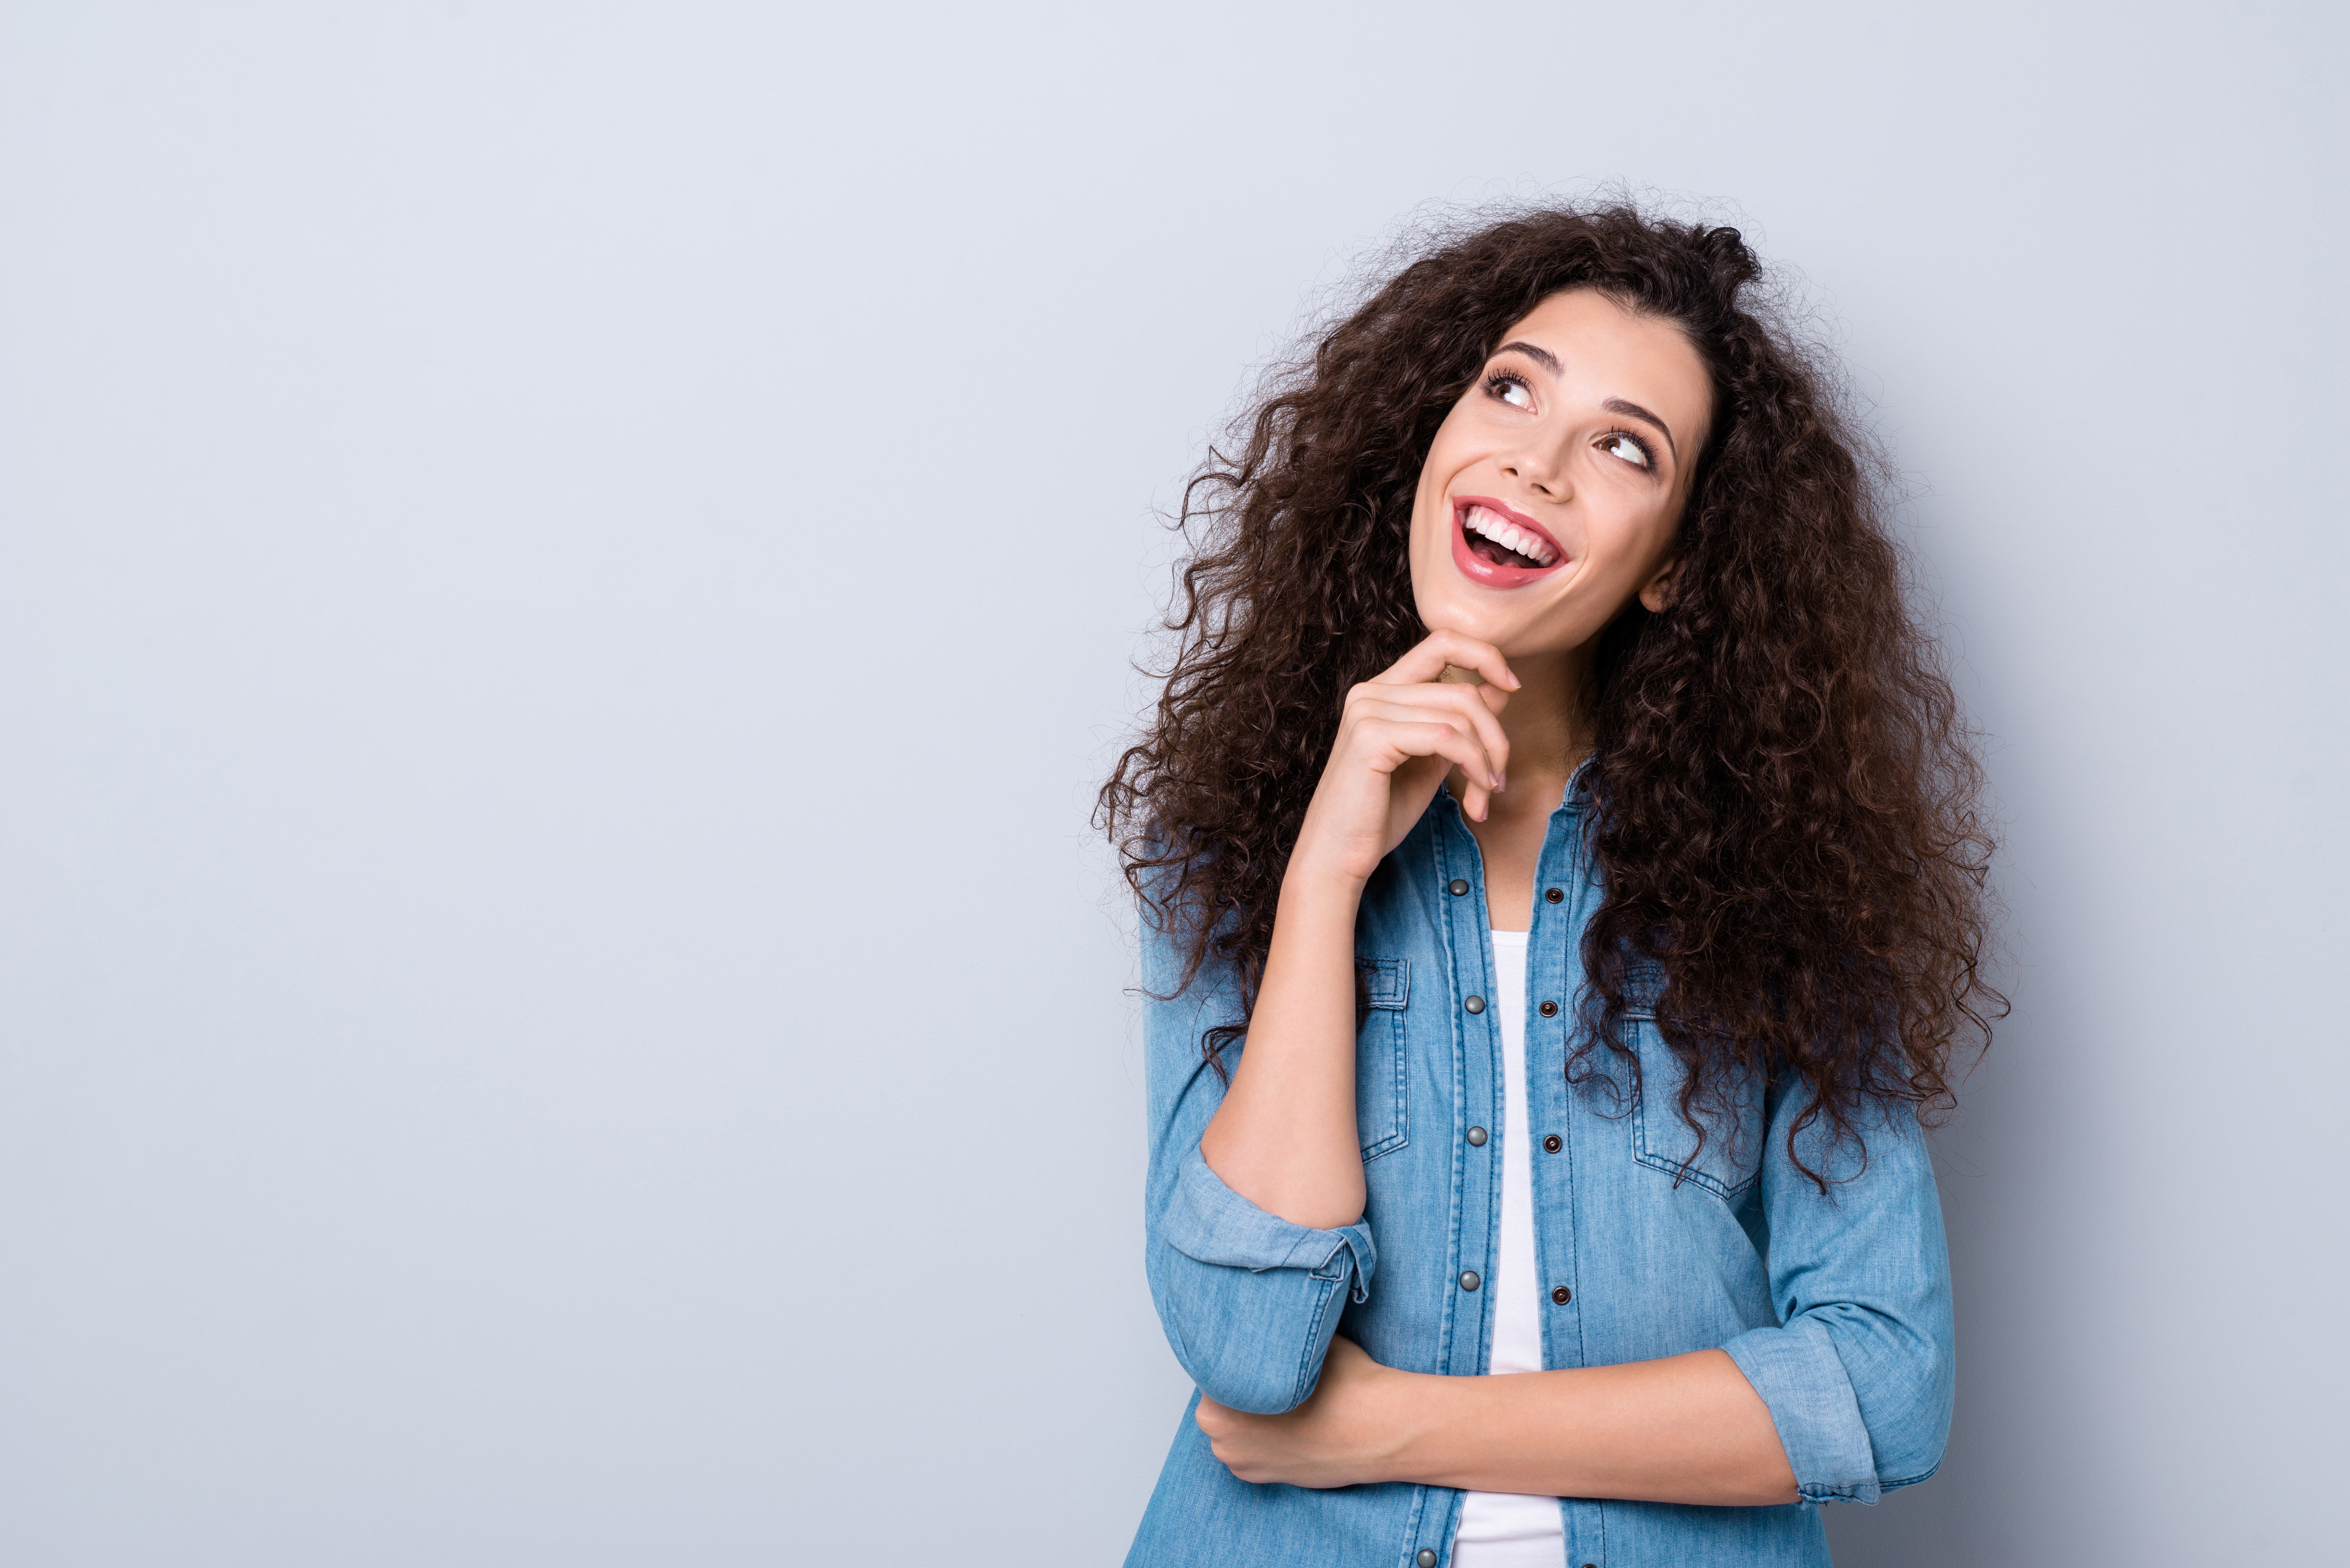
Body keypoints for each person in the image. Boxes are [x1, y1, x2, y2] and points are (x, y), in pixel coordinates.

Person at [1097, 205, 2002, 1567]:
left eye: (1624, 446)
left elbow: (1884, 1384)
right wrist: (1327, 874)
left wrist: (1396, 1426)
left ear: (1676, 564)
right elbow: (1248, 1349)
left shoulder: (1788, 887)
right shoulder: (1234, 840)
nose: (1537, 460)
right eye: (1512, 387)